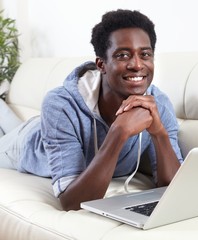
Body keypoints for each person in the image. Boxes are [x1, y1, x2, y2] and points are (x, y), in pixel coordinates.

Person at [0, 9, 183, 211]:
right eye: (123, 55)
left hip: (54, 128)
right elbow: (72, 202)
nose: (137, 65)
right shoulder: (60, 104)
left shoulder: (158, 104)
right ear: (101, 64)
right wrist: (118, 132)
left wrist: (159, 134)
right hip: (26, 144)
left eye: (145, 54)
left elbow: (174, 188)